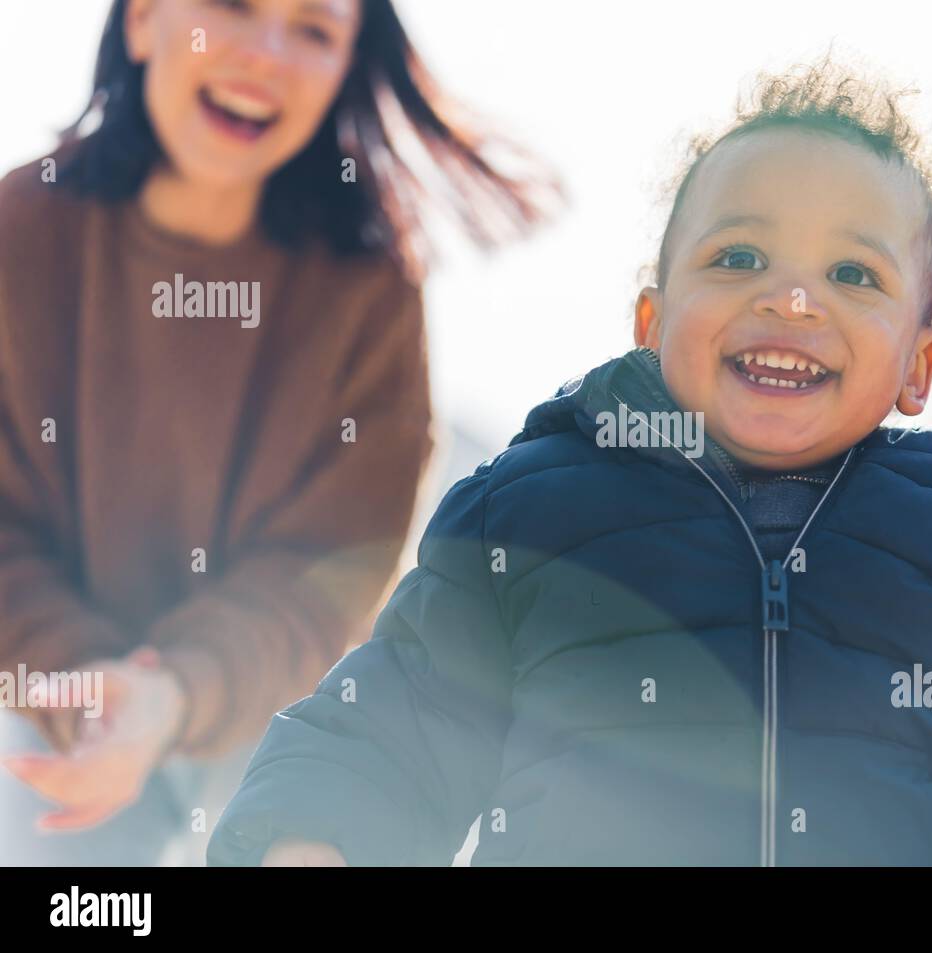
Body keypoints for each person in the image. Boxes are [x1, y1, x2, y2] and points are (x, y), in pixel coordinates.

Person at [207, 56, 932, 866]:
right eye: (737, 257)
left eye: (852, 273)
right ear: (651, 320)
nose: (792, 300)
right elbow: (392, 726)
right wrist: (311, 837)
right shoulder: (529, 516)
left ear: (920, 364)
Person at [0, 0, 552, 865]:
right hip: (50, 702)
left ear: (344, 65)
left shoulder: (371, 286)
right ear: (144, 20)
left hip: (268, 701)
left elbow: (333, 568)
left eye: (314, 30)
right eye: (233, 7)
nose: (268, 55)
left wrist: (180, 693)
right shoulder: (19, 231)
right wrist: (92, 691)